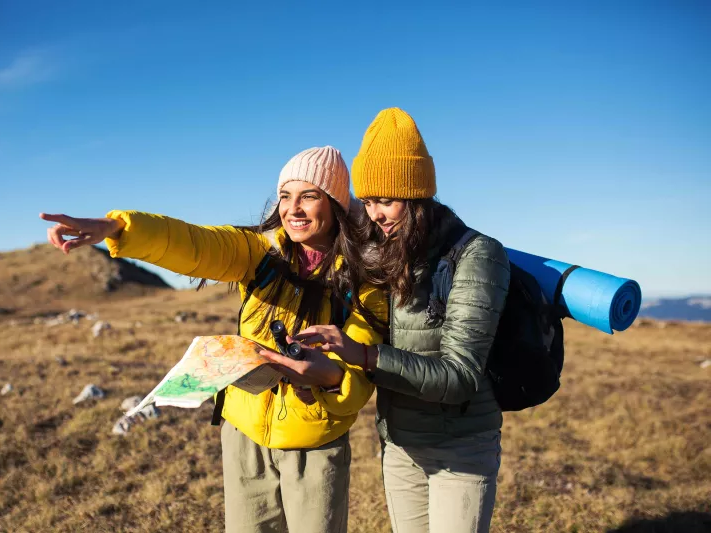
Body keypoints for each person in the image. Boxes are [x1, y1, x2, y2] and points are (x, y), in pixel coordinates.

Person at [40, 146, 387, 533]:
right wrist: (119, 229)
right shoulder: (258, 253)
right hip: (242, 436)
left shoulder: (363, 280)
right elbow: (194, 243)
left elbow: (361, 375)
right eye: (286, 196)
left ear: (336, 203)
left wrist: (328, 377)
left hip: (314, 443)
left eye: (309, 196)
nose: (294, 209)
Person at [262, 110, 510, 533]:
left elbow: (461, 376)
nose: (374, 214)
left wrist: (363, 354)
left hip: (461, 448)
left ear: (417, 196)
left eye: (387, 200)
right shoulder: (383, 256)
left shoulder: (477, 255)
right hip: (398, 444)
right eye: (369, 201)